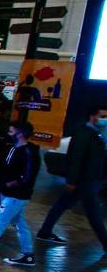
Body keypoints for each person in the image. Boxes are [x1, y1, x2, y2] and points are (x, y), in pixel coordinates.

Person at [36, 104, 107, 250]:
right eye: (103, 116)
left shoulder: (95, 133)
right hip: (84, 181)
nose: (104, 120)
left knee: (62, 204)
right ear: (92, 116)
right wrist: (72, 180)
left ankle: (45, 231)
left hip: (87, 180)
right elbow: (76, 158)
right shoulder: (84, 134)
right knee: (94, 213)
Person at [0, 120, 40, 266]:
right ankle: (28, 254)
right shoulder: (14, 148)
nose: (9, 134)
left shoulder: (28, 152)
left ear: (20, 133)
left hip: (16, 195)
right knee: (20, 223)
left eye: (11, 131)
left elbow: (27, 176)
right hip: (7, 193)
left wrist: (11, 184)